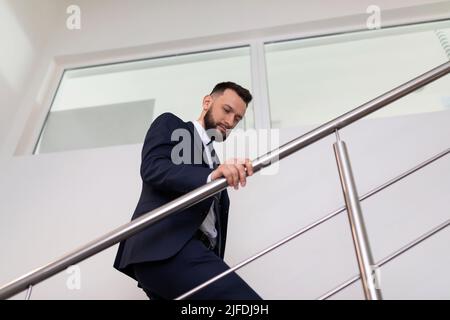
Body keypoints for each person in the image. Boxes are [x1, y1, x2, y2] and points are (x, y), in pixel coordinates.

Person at [114, 82, 262, 300]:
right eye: (227, 110)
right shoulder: (172, 125)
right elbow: (153, 168)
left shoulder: (214, 161)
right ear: (207, 102)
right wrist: (211, 177)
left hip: (193, 254)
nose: (230, 122)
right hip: (168, 249)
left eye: (237, 119)